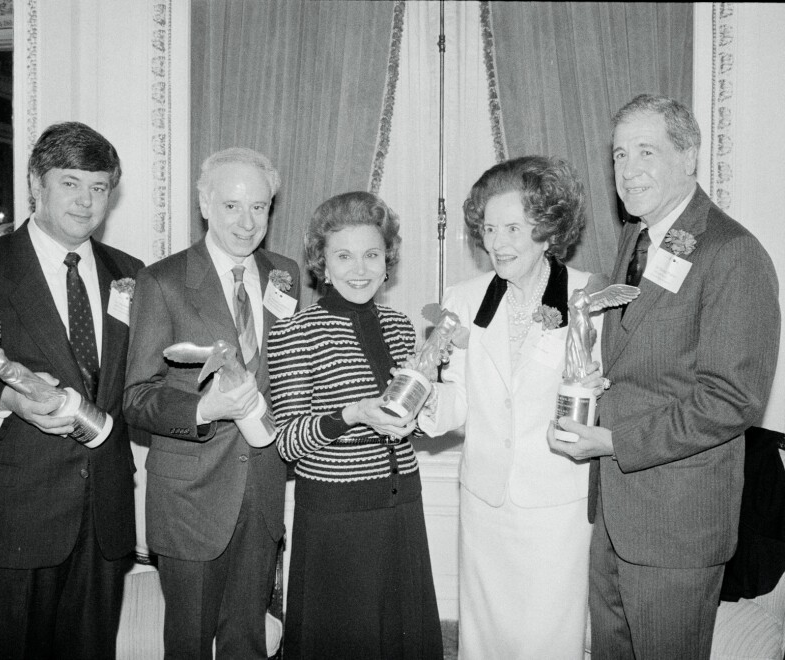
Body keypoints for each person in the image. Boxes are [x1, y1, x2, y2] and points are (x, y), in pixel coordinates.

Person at [548, 94, 781, 658]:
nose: (627, 171)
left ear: (689, 156)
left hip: (676, 525)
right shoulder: (637, 238)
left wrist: (614, 439)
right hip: (614, 512)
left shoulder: (733, 253)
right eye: (619, 154)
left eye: (645, 152)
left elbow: (732, 399)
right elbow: (637, 356)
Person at [0, 121, 144, 660]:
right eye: (70, 183)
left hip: (103, 522)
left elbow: (137, 388)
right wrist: (9, 401)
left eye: (99, 187)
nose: (86, 201)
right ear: (36, 183)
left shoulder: (130, 276)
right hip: (9, 520)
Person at [417, 156, 604, 659]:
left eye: (513, 228)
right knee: (483, 639)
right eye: (489, 227)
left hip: (555, 507)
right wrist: (418, 396)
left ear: (546, 230)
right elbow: (455, 401)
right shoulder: (464, 297)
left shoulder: (590, 296)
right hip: (485, 505)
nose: (497, 242)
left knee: (549, 638)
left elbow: (602, 399)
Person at [123, 147, 300, 659]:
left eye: (260, 208)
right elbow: (136, 397)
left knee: (249, 642)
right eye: (231, 206)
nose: (247, 222)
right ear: (204, 204)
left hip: (263, 492)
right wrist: (204, 410)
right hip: (191, 501)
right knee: (190, 647)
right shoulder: (163, 281)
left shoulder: (283, 275)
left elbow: (286, 377)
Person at [268, 191, 443, 659]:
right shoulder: (295, 332)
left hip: (402, 504)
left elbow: (413, 415)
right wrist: (350, 414)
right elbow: (284, 441)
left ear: (388, 260)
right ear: (321, 263)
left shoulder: (402, 325)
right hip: (335, 520)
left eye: (371, 254)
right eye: (343, 256)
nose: (360, 269)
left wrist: (418, 422)